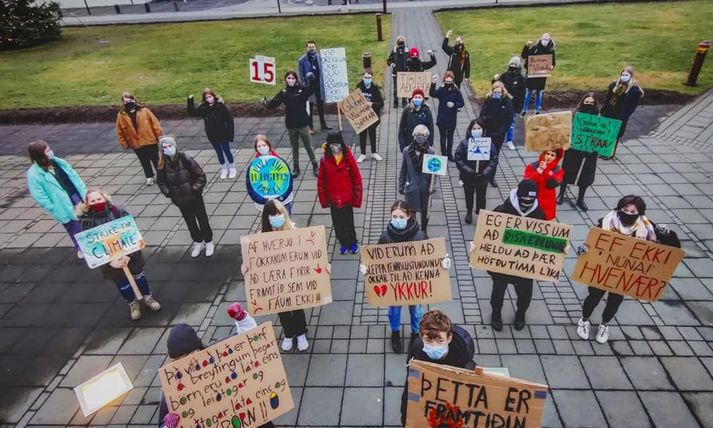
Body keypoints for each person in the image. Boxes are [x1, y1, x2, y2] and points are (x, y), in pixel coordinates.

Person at [240, 199, 328, 352]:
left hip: (294, 279)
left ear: (284, 214)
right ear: (266, 217)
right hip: (276, 282)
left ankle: (301, 332)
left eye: (279, 213)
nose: (276, 217)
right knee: (282, 309)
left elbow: (309, 253)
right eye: (272, 214)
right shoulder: (260, 237)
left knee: (297, 305)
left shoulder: (294, 232)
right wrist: (246, 268)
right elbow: (255, 260)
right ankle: (288, 333)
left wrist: (323, 264)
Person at [576, 195, 660, 344]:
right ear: (619, 208)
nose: (628, 213)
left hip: (624, 274)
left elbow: (665, 250)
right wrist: (584, 248)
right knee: (594, 296)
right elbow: (593, 240)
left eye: (632, 211)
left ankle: (604, 324)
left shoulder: (647, 228)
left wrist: (666, 235)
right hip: (602, 269)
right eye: (625, 209)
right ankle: (584, 319)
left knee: (614, 301)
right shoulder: (606, 222)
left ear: (639, 213)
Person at [158, 324, 277, 428]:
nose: (182, 365)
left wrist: (243, 320)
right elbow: (162, 422)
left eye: (187, 357)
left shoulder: (219, 358)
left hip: (246, 416)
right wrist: (168, 425)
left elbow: (247, 339)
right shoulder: (171, 386)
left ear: (198, 350)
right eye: (176, 360)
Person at [471, 180, 545, 331]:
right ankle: (496, 314)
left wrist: (557, 249)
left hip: (524, 265)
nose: (528, 203)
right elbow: (487, 234)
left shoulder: (539, 214)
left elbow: (544, 239)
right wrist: (477, 247)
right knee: (498, 293)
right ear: (518, 196)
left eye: (531, 201)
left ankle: (520, 314)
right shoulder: (502, 211)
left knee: (525, 295)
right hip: (502, 265)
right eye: (525, 200)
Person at [78, 189, 161, 320]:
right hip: (110, 262)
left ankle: (147, 297)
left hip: (129, 255)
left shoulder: (118, 212)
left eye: (98, 199)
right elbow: (91, 246)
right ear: (87, 203)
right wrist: (110, 261)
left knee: (139, 278)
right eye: (92, 201)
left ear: (104, 199)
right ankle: (133, 304)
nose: (96, 202)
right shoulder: (86, 221)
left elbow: (131, 232)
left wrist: (129, 255)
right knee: (123, 284)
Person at [400, 310, 476, 426]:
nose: (434, 346)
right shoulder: (416, 350)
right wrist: (406, 416)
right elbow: (411, 384)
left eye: (440, 340)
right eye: (428, 340)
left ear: (449, 338)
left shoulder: (462, 353)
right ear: (421, 336)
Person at [155, 137, 214, 258]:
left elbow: (201, 176)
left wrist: (194, 190)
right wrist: (169, 193)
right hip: (180, 200)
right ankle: (198, 242)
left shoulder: (185, 158)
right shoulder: (162, 163)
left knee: (202, 220)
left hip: (194, 198)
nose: (168, 149)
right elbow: (161, 182)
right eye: (165, 147)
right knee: (190, 222)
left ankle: (209, 242)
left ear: (175, 146)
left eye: (169, 146)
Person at [26, 141, 87, 258]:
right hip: (61, 204)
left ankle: (92, 244)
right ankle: (81, 248)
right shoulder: (34, 174)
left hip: (75, 195)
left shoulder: (58, 162)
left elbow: (74, 176)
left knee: (86, 221)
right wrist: (52, 207)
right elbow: (39, 195)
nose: (51, 152)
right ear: (40, 155)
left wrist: (84, 192)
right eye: (47, 150)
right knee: (73, 226)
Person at [263, 71, 319, 177]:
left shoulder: (302, 90)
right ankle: (296, 167)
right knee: (294, 147)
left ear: (296, 80)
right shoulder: (283, 93)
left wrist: (312, 79)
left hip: (303, 124)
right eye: (289, 78)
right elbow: (273, 104)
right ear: (285, 80)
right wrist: (265, 103)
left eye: (293, 78)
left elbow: (313, 88)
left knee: (309, 146)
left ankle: (315, 165)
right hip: (291, 125)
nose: (291, 80)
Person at [317, 132, 363, 255]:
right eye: (332, 144)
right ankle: (343, 242)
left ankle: (352, 242)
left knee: (349, 222)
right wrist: (324, 200)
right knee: (337, 224)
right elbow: (321, 181)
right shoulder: (324, 160)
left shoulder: (348, 157)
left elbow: (357, 178)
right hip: (333, 199)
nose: (335, 147)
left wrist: (357, 197)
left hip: (347, 198)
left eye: (337, 144)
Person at [559, 93, 600, 210]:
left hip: (589, 153)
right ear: (583, 102)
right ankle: (561, 194)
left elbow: (602, 136)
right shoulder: (574, 114)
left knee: (585, 176)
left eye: (592, 103)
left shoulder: (599, 118)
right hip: (573, 150)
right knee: (567, 172)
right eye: (587, 102)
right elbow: (566, 130)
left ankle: (580, 199)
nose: (589, 105)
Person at [454, 119, 498, 223]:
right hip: (468, 177)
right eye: (474, 129)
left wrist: (485, 172)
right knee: (468, 195)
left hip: (483, 177)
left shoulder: (489, 143)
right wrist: (469, 171)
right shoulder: (464, 143)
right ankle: (469, 211)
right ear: (470, 130)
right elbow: (458, 158)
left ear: (483, 130)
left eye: (479, 128)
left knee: (481, 197)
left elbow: (493, 159)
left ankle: (479, 212)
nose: (477, 130)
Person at [115, 91, 163, 186]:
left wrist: (160, 136)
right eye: (125, 101)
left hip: (149, 140)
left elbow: (155, 124)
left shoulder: (144, 111)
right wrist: (123, 142)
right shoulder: (121, 115)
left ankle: (161, 176)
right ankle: (149, 177)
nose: (128, 103)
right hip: (135, 143)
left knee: (156, 159)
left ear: (134, 100)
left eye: (130, 100)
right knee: (144, 161)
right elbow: (119, 131)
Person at [187, 87, 236, 179]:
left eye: (210, 96)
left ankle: (232, 167)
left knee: (227, 151)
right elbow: (192, 112)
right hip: (212, 134)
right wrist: (190, 100)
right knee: (219, 152)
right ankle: (224, 168)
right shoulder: (204, 108)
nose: (209, 99)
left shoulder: (221, 107)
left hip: (223, 133)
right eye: (207, 98)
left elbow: (229, 120)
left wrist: (230, 134)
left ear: (214, 96)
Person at [399, 125, 435, 232]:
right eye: (418, 134)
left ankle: (424, 230)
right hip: (412, 187)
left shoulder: (431, 152)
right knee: (411, 212)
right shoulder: (407, 151)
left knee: (425, 211)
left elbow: (434, 172)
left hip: (425, 187)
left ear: (426, 136)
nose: (420, 137)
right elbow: (403, 170)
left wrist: (433, 186)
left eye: (423, 135)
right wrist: (401, 185)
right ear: (414, 136)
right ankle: (413, 231)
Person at [601, 66, 644, 157]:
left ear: (631, 76)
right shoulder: (614, 85)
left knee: (615, 135)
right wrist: (604, 109)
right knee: (606, 132)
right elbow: (608, 98)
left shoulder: (634, 90)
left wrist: (624, 116)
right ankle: (603, 151)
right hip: (609, 112)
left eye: (626, 75)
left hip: (620, 114)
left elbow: (632, 106)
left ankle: (610, 153)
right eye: (623, 74)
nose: (624, 76)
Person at [478, 81, 514, 188]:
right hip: (488, 133)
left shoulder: (507, 102)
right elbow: (482, 116)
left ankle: (491, 176)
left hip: (499, 134)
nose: (496, 94)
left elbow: (509, 119)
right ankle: (483, 173)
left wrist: (502, 130)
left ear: (503, 92)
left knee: (495, 156)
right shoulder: (488, 101)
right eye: (495, 92)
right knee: (484, 155)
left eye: (499, 92)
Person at [251, 134, 294, 214]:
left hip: (283, 201)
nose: (262, 148)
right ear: (256, 149)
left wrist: (281, 198)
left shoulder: (280, 162)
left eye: (264, 145)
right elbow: (251, 187)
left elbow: (288, 182)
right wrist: (264, 200)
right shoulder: (253, 167)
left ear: (268, 145)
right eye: (259, 146)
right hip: (266, 204)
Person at [297, 40, 332, 134]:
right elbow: (300, 75)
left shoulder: (319, 57)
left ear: (315, 47)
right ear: (306, 48)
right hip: (309, 87)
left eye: (313, 47)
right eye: (309, 47)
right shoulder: (302, 60)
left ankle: (323, 124)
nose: (311, 48)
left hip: (318, 86)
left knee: (321, 106)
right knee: (310, 108)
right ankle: (310, 126)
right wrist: (304, 86)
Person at [429, 71, 465, 160]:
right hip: (442, 117)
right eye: (446, 81)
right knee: (442, 137)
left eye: (450, 81)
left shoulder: (456, 90)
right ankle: (443, 153)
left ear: (453, 80)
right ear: (444, 80)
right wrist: (433, 83)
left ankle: (449, 153)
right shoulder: (442, 89)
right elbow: (433, 94)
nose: (448, 83)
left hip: (452, 118)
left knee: (450, 137)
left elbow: (461, 103)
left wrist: (454, 104)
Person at [520, 33, 556, 116]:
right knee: (528, 92)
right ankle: (524, 109)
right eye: (544, 39)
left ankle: (536, 110)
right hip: (531, 74)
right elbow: (524, 56)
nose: (545, 41)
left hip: (541, 75)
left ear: (549, 40)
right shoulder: (535, 48)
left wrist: (551, 67)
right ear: (541, 39)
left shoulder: (551, 50)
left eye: (546, 39)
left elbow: (553, 62)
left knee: (539, 92)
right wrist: (526, 46)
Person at [523, 148, 564, 221]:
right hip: (533, 200)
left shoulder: (558, 170)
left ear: (556, 158)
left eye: (552, 155)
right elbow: (527, 183)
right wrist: (537, 173)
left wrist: (546, 171)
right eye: (547, 154)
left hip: (547, 203)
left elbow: (553, 184)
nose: (549, 157)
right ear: (543, 154)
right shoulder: (532, 166)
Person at [494, 57, 526, 150]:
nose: (512, 67)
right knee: (500, 122)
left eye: (515, 65)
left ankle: (509, 140)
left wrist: (519, 107)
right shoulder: (504, 76)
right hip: (503, 103)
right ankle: (499, 140)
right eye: (511, 65)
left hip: (513, 105)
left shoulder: (521, 79)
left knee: (511, 123)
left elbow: (522, 94)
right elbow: (496, 86)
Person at [355, 70, 384, 163]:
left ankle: (374, 152)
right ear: (363, 78)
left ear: (371, 78)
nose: (367, 79)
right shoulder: (358, 88)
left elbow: (381, 104)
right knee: (362, 134)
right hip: (362, 115)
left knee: (372, 133)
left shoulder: (375, 89)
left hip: (372, 115)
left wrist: (371, 104)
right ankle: (363, 154)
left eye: (369, 78)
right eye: (365, 77)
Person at [397, 88, 434, 152]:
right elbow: (401, 128)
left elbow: (430, 128)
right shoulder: (407, 110)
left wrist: (429, 145)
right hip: (409, 143)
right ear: (412, 99)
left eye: (419, 97)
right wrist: (402, 145)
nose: (417, 99)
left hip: (423, 144)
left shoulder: (427, 111)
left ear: (423, 99)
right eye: (416, 97)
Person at [387, 35, 410, 108]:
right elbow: (388, 60)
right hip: (396, 72)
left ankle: (404, 102)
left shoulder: (407, 51)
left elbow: (409, 59)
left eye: (402, 41)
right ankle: (395, 102)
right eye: (399, 41)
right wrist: (392, 64)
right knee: (396, 88)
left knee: (404, 87)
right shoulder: (394, 51)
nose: (401, 43)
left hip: (405, 72)